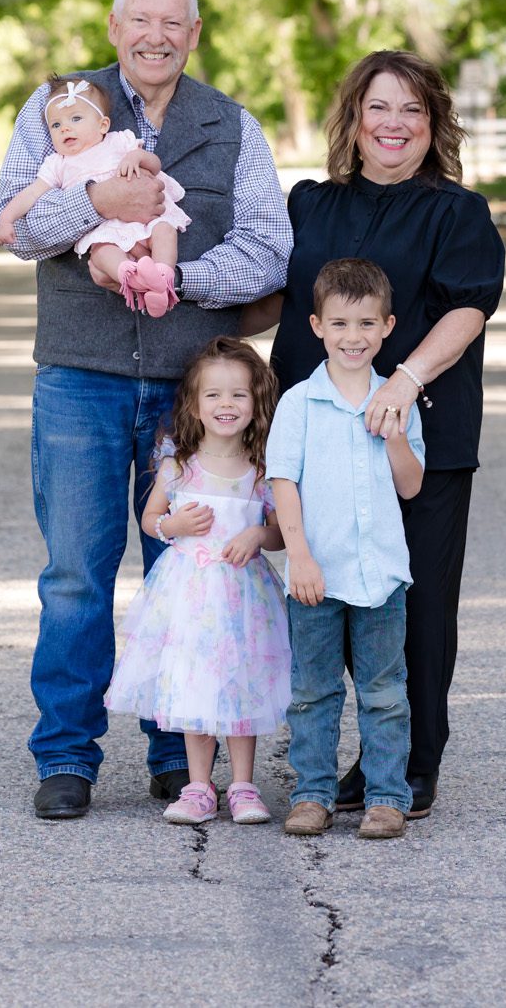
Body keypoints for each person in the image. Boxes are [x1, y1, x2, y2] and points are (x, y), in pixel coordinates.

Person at [0, 0, 292, 821]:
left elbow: (269, 249)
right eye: (141, 21)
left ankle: (181, 755)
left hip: (191, 395)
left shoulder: (231, 126)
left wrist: (176, 278)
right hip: (78, 379)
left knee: (190, 567)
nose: (156, 36)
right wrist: (96, 198)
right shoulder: (58, 107)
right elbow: (18, 227)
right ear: (115, 25)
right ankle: (65, 757)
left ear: (195, 34)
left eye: (174, 23)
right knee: (76, 576)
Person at [253, 50, 504, 822]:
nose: (395, 124)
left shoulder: (457, 213)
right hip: (318, 439)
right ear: (354, 120)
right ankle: (331, 765)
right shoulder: (308, 205)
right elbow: (275, 299)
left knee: (416, 602)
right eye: (380, 108)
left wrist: (407, 378)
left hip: (417, 436)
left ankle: (409, 763)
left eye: (413, 111)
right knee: (323, 593)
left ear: (434, 126)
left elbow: (469, 308)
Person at [267, 258, 426, 840]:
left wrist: (398, 438)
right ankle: (313, 793)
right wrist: (299, 556)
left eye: (365, 324)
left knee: (384, 690)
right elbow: (283, 482)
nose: (352, 337)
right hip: (316, 573)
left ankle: (387, 796)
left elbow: (411, 485)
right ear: (316, 326)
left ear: (387, 326)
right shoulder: (298, 405)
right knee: (312, 690)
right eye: (339, 324)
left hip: (380, 574)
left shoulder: (395, 401)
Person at [105, 338, 291, 825]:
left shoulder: (262, 470)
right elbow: (150, 521)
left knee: (241, 684)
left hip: (244, 595)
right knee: (195, 685)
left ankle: (244, 786)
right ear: (193, 403)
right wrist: (175, 526)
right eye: (213, 395)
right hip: (190, 595)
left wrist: (258, 532)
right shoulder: (178, 466)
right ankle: (198, 786)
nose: (226, 406)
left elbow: (281, 534)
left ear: (257, 403)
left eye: (238, 395)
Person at [0, 75, 191, 317]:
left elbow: (154, 164)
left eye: (76, 119)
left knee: (165, 230)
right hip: (106, 229)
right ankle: (131, 277)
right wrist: (6, 219)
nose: (65, 128)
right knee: (101, 252)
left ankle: (162, 278)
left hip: (146, 220)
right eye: (56, 125)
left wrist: (136, 157)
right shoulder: (57, 164)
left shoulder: (118, 142)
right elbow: (30, 194)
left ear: (103, 125)